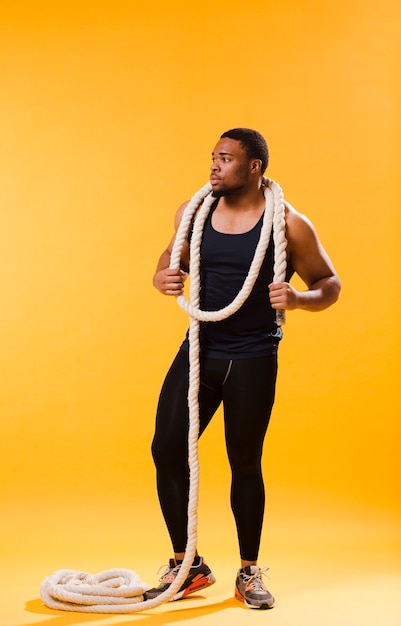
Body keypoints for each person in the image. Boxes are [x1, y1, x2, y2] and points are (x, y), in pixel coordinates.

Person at [145, 128, 341, 609]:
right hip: (200, 348)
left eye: (226, 158)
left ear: (255, 167)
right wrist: (162, 275)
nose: (214, 165)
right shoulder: (195, 211)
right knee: (166, 448)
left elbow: (330, 283)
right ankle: (187, 566)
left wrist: (299, 298)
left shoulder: (291, 224)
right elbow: (171, 257)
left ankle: (249, 572)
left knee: (244, 463)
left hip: (253, 357)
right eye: (212, 156)